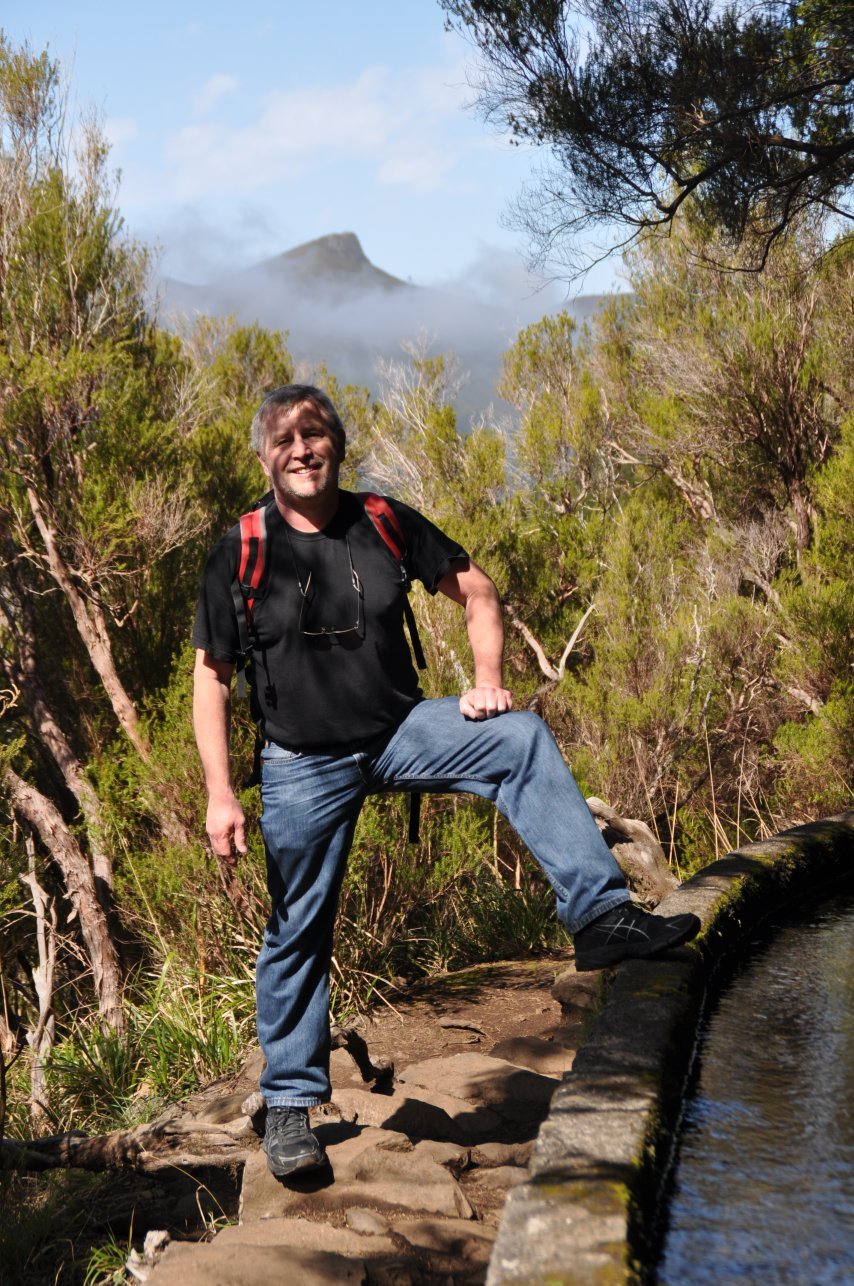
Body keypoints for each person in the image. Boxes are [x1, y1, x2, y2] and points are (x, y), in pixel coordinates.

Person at [192, 384, 699, 1179]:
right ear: (265, 455)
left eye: (315, 434)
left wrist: (488, 678)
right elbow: (211, 679)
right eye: (285, 438)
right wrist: (222, 794)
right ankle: (290, 1105)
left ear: (337, 446)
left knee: (519, 737)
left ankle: (601, 918)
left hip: (400, 731)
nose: (301, 448)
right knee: (298, 927)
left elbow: (477, 589)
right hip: (301, 762)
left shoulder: (384, 522)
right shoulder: (242, 548)